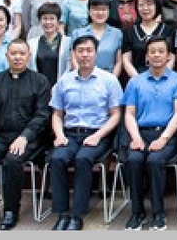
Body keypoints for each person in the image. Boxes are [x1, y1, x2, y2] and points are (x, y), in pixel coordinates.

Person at [0, 39, 52, 231]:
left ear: (28, 56)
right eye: (13, 53)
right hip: (0, 136)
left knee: (12, 160)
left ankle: (10, 210)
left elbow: (42, 115)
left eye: (22, 54)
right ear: (6, 56)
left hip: (30, 138)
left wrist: (25, 136)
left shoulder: (40, 81)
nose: (17, 57)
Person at [47, 36, 123, 231]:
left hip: (99, 134)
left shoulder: (109, 80)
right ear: (74, 54)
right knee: (57, 159)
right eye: (80, 51)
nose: (85, 55)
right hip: (70, 134)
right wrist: (59, 135)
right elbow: (57, 114)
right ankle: (62, 213)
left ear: (96, 53)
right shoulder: (64, 81)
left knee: (83, 159)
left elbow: (116, 115)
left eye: (89, 50)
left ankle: (77, 215)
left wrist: (98, 135)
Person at [122, 36, 177, 230]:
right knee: (133, 160)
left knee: (154, 160)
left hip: (167, 134)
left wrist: (164, 138)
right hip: (140, 133)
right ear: (146, 56)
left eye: (161, 51)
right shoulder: (135, 82)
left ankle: (158, 212)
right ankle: (137, 211)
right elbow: (129, 114)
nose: (157, 55)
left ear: (169, 56)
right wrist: (135, 138)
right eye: (153, 51)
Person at [121, 0, 175, 79]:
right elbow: (126, 60)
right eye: (141, 5)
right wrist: (140, 80)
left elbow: (171, 58)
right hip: (136, 79)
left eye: (149, 4)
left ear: (157, 6)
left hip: (163, 79)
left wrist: (160, 78)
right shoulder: (130, 32)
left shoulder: (168, 31)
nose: (145, 8)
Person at [70, 0, 123, 77]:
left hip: (108, 78)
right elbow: (74, 59)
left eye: (103, 9)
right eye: (95, 9)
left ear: (109, 11)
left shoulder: (117, 33)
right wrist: (82, 78)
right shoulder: (78, 33)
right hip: (83, 77)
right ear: (89, 11)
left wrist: (112, 80)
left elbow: (119, 62)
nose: (100, 13)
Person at [27, 2, 72, 88]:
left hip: (62, 87)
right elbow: (29, 68)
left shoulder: (68, 42)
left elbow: (69, 67)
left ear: (58, 21)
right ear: (40, 20)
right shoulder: (32, 44)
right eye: (44, 18)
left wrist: (57, 87)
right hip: (38, 89)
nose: (48, 22)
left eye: (52, 18)